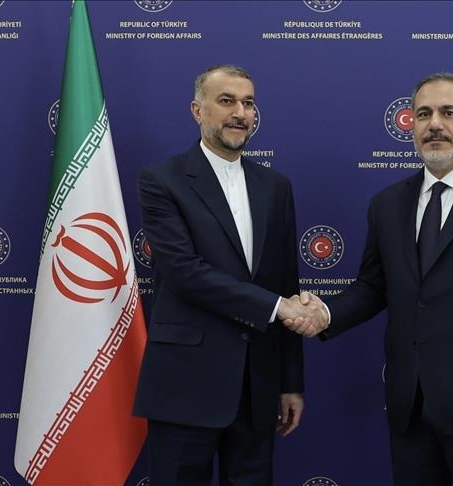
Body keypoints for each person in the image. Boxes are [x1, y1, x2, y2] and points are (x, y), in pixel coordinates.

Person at [289, 72, 453, 485]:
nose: (435, 124)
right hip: (409, 407)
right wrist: (325, 313)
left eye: (449, 113)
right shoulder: (387, 204)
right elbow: (373, 287)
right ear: (410, 125)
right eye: (423, 114)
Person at [133, 64, 325, 485]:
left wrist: (290, 382)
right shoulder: (161, 181)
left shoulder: (276, 186)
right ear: (197, 111)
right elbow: (185, 273)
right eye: (226, 101)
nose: (240, 113)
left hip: (257, 388)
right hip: (185, 385)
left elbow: (286, 282)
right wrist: (277, 307)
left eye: (248, 103)